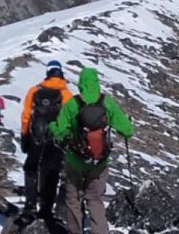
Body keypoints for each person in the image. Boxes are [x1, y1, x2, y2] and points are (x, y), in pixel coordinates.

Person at [50, 67, 133, 234]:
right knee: (95, 199)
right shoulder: (106, 102)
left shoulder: (73, 104)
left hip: (75, 160)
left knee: (73, 199)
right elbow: (127, 130)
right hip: (99, 162)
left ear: (80, 84)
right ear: (96, 83)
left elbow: (59, 131)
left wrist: (52, 125)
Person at [20, 59, 74, 221]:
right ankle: (46, 208)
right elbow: (72, 118)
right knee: (51, 171)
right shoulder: (65, 94)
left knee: (31, 168)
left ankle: (30, 206)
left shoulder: (34, 91)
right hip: (56, 139)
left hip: (37, 136)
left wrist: (24, 136)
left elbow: (26, 116)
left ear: (47, 73)